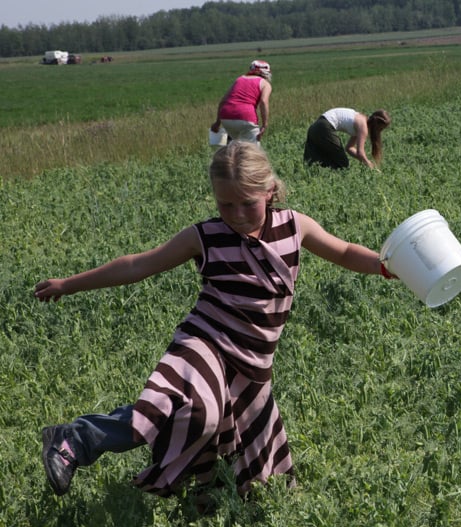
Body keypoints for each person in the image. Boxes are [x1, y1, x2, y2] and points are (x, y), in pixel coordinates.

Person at [36, 142, 396, 502]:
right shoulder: (205, 237)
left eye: (247, 203)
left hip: (253, 362)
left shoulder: (293, 226)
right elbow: (138, 265)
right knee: (190, 410)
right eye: (226, 204)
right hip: (205, 342)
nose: (237, 214)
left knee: (259, 487)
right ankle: (76, 438)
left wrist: (385, 264)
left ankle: (201, 502)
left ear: (269, 191)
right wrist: (69, 285)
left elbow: (345, 251)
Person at [303, 108, 391, 169]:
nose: (380, 131)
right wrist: (369, 164)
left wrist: (364, 161)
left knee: (313, 163)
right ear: (377, 124)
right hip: (324, 127)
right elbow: (360, 152)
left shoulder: (361, 120)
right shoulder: (363, 127)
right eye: (381, 128)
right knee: (342, 164)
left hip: (315, 127)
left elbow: (349, 148)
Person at [211, 60, 273, 144]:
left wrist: (217, 123)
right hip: (246, 118)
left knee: (234, 147)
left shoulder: (239, 79)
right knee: (252, 152)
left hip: (226, 117)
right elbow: (263, 101)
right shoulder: (265, 84)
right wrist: (264, 125)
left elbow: (223, 101)